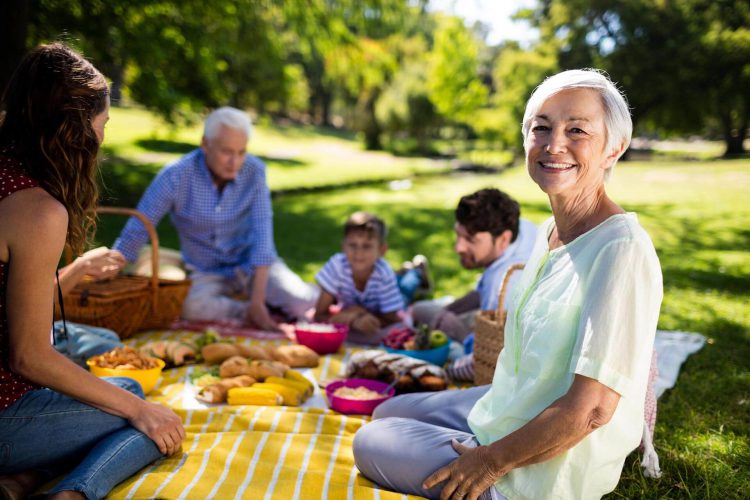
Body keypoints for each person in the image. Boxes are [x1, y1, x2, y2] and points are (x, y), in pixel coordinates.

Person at [353, 68, 663, 499]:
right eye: (542, 127)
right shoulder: (547, 232)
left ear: (615, 148)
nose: (554, 144)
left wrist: (489, 461)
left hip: (542, 467)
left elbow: (591, 410)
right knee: (386, 407)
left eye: (577, 130)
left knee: (368, 441)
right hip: (508, 406)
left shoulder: (621, 250)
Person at [0, 43, 184, 500]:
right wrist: (137, 409)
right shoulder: (37, 210)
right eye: (103, 122)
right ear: (75, 130)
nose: (103, 135)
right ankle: (73, 493)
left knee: (113, 378)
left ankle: (21, 481)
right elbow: (28, 356)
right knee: (146, 412)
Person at [112, 106, 318, 332]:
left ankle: (259, 303)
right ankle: (247, 310)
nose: (235, 162)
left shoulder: (255, 171)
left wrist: (258, 299)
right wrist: (109, 270)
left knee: (303, 303)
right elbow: (138, 228)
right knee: (191, 308)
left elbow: (263, 238)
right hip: (204, 270)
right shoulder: (175, 176)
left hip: (249, 265)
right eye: (226, 152)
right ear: (205, 144)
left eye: (241, 152)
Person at [412, 188, 537, 342]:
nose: (458, 247)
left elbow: (489, 346)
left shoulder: (500, 285)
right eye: (458, 234)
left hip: (499, 342)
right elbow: (480, 292)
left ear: (504, 239)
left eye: (470, 239)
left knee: (419, 310)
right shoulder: (523, 228)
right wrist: (445, 312)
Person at [313, 211, 405, 345]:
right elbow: (319, 315)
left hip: (386, 302)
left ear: (382, 250)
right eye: (352, 245)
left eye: (366, 246)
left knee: (406, 292)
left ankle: (415, 273)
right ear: (343, 246)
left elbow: (392, 319)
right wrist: (354, 319)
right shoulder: (337, 265)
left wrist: (360, 314)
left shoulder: (384, 274)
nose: (358, 253)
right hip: (357, 310)